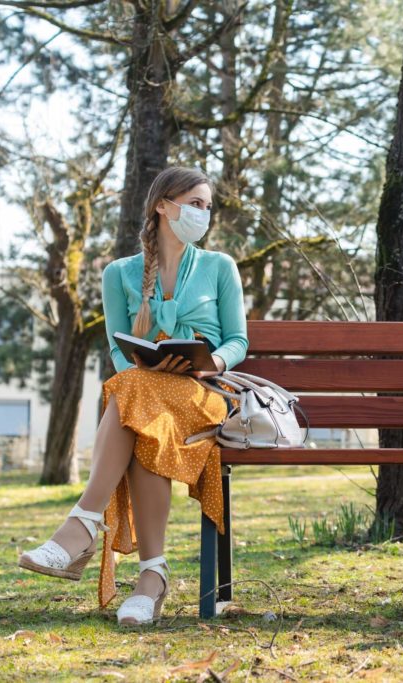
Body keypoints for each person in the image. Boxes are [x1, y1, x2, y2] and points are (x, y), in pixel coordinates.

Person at [19, 167, 248, 626]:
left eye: (207, 207)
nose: (202, 214)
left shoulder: (219, 266)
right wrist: (146, 369)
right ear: (163, 206)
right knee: (140, 403)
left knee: (133, 399)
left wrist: (212, 363)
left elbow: (237, 341)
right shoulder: (119, 274)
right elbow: (119, 352)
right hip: (145, 393)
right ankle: (151, 579)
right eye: (194, 203)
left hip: (204, 392)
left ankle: (84, 527)